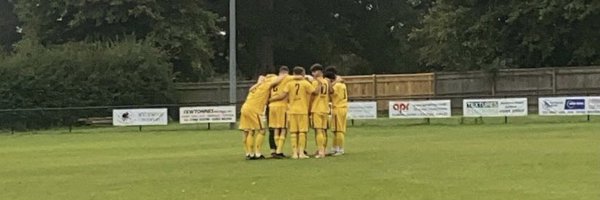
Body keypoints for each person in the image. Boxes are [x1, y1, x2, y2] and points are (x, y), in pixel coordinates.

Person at [269, 66, 320, 159]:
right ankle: (301, 153)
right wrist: (319, 83)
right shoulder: (305, 83)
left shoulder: (289, 84)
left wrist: (271, 99)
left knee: (293, 132)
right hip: (302, 110)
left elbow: (283, 95)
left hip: (292, 110)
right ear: (302, 73)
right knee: (302, 132)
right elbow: (315, 92)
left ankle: (294, 153)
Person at [239, 74, 277, 160]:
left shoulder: (255, 87)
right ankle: (258, 153)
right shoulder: (266, 86)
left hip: (245, 108)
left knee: (249, 131)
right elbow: (279, 79)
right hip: (254, 110)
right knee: (262, 131)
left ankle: (249, 153)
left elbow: (251, 88)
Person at [268, 66, 293, 158]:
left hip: (272, 106)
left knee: (275, 128)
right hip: (282, 106)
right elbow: (301, 77)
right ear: (286, 72)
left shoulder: (272, 78)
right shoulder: (287, 77)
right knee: (283, 128)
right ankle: (279, 151)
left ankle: (276, 151)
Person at [309, 64, 331, 158]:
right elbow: (331, 91)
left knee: (318, 131)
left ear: (318, 71)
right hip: (325, 108)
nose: (313, 74)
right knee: (323, 130)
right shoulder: (326, 81)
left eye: (314, 72)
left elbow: (314, 93)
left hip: (317, 108)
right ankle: (323, 150)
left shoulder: (316, 82)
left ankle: (321, 152)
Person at [325, 66, 348, 156]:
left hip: (338, 108)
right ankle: (335, 148)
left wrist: (329, 83)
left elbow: (331, 91)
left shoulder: (337, 85)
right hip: (341, 107)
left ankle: (340, 149)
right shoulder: (341, 84)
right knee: (335, 130)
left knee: (339, 130)